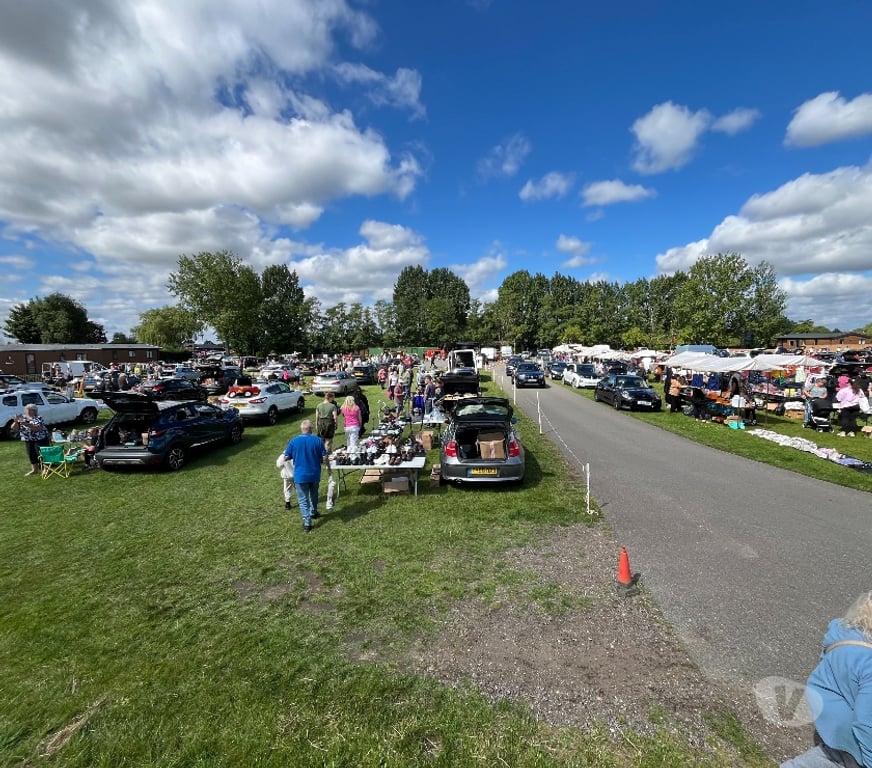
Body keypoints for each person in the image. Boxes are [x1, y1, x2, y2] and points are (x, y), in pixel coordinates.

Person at [781, 591, 872, 768]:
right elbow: (866, 724)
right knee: (834, 759)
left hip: (825, 708)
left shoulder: (841, 633)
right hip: (847, 737)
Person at [283, 420, 327, 532]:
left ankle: (307, 523)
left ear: (302, 429)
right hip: (314, 473)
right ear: (311, 429)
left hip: (300, 475)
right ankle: (314, 512)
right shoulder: (318, 441)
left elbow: (286, 457)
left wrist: (293, 456)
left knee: (303, 500)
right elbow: (324, 457)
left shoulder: (293, 441)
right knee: (314, 494)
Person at [16, 403, 51, 476]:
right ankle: (34, 470)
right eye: (27, 410)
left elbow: (37, 428)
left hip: (40, 439)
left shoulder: (38, 418)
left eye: (31, 410)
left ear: (35, 411)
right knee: (31, 454)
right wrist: (15, 421)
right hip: (28, 439)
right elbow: (14, 428)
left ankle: (46, 469)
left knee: (42, 454)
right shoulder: (23, 418)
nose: (28, 412)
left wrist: (27, 424)